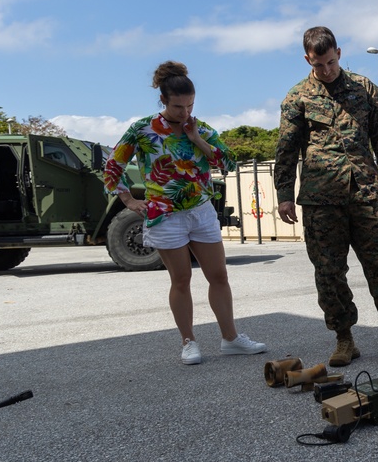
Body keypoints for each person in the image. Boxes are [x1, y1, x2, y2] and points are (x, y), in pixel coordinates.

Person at [274, 26, 378, 368]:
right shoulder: (297, 98)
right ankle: (344, 339)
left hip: (366, 193)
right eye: (318, 64)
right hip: (320, 199)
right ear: (307, 59)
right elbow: (286, 150)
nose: (326, 70)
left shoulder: (364, 89)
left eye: (329, 62)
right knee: (328, 272)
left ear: (338, 52)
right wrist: (284, 194)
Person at [104, 61, 266, 365]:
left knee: (219, 275)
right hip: (165, 214)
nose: (185, 112)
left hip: (201, 211)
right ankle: (188, 341)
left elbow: (228, 162)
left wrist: (197, 140)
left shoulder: (200, 127)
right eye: (178, 106)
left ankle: (231, 339)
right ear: (163, 101)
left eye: (190, 105)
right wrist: (127, 200)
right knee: (180, 279)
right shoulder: (142, 129)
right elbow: (113, 164)